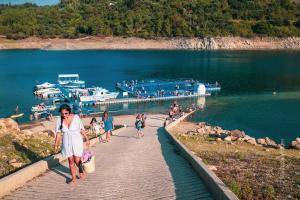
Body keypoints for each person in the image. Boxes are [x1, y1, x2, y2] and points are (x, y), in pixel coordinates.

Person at [53, 104, 90, 184]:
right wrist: (56, 145)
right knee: (70, 161)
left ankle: (81, 170)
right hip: (66, 142)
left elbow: (81, 129)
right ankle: (73, 178)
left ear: (69, 112)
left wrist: (87, 139)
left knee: (77, 160)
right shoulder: (59, 120)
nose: (64, 115)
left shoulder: (76, 118)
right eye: (62, 114)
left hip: (77, 141)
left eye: (66, 113)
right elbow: (58, 134)